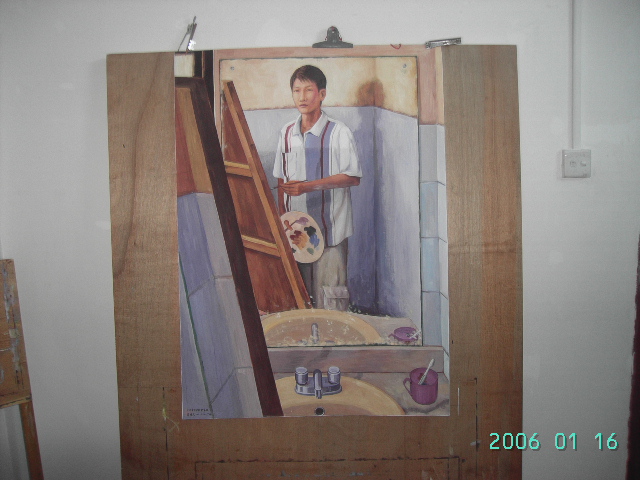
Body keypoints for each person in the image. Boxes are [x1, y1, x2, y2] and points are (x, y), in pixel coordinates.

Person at [273, 65, 362, 309]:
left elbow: (353, 178)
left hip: (330, 232)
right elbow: (280, 180)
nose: (302, 97)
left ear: (322, 94)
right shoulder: (286, 133)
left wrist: (307, 187)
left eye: (308, 90)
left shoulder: (339, 132)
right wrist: (282, 221)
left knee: (330, 302)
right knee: (299, 301)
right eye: (297, 90)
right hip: (295, 235)